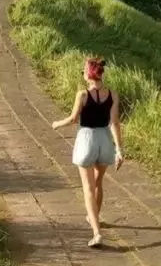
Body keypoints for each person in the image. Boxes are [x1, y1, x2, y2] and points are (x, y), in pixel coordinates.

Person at [51, 57, 123, 248]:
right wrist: (119, 150)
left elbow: (73, 119)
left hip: (86, 140)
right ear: (101, 74)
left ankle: (97, 232)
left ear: (88, 74)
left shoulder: (82, 95)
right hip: (105, 141)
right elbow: (114, 123)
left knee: (88, 189)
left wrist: (57, 124)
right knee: (98, 183)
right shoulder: (113, 95)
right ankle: (94, 218)